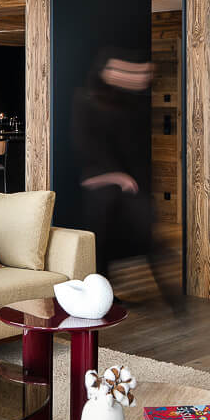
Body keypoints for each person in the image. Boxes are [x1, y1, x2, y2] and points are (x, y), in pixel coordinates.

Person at [71, 50, 180, 307]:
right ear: (104, 73)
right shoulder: (86, 101)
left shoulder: (125, 104)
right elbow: (86, 146)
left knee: (142, 237)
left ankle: (172, 299)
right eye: (118, 71)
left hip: (126, 185)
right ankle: (101, 296)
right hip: (101, 186)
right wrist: (115, 176)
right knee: (102, 244)